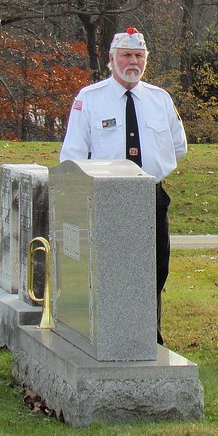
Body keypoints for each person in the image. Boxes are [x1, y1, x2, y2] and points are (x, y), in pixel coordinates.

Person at [60, 27, 187, 344]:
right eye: (127, 55)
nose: (133, 62)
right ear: (112, 59)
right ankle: (110, 333)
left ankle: (148, 334)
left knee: (156, 269)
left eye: (139, 56)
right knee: (111, 272)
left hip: (151, 195)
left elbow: (178, 146)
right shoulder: (89, 100)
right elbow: (73, 154)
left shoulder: (160, 99)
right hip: (108, 196)